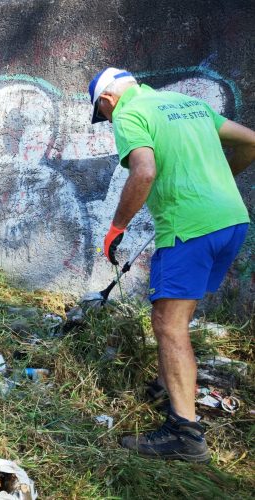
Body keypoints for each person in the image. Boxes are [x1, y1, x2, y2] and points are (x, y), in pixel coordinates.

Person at [90, 67, 253, 463]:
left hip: (190, 227)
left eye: (102, 114)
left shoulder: (129, 113)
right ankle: (167, 384)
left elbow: (144, 172)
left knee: (167, 323)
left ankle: (185, 433)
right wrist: (217, 182)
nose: (108, 121)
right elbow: (251, 140)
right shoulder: (187, 103)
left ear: (107, 100)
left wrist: (116, 228)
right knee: (177, 313)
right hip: (232, 221)